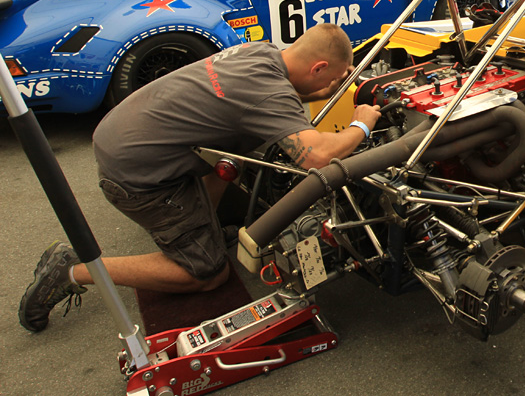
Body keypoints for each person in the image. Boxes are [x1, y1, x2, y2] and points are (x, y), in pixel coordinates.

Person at [18, 23, 381, 332]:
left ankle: (199, 227)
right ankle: (74, 271)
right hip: (137, 177)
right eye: (331, 79)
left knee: (235, 152)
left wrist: (322, 91)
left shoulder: (262, 54)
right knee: (207, 273)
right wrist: (361, 123)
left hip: (125, 136)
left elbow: (276, 99)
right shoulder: (269, 93)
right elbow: (315, 155)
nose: (331, 86)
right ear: (317, 67)